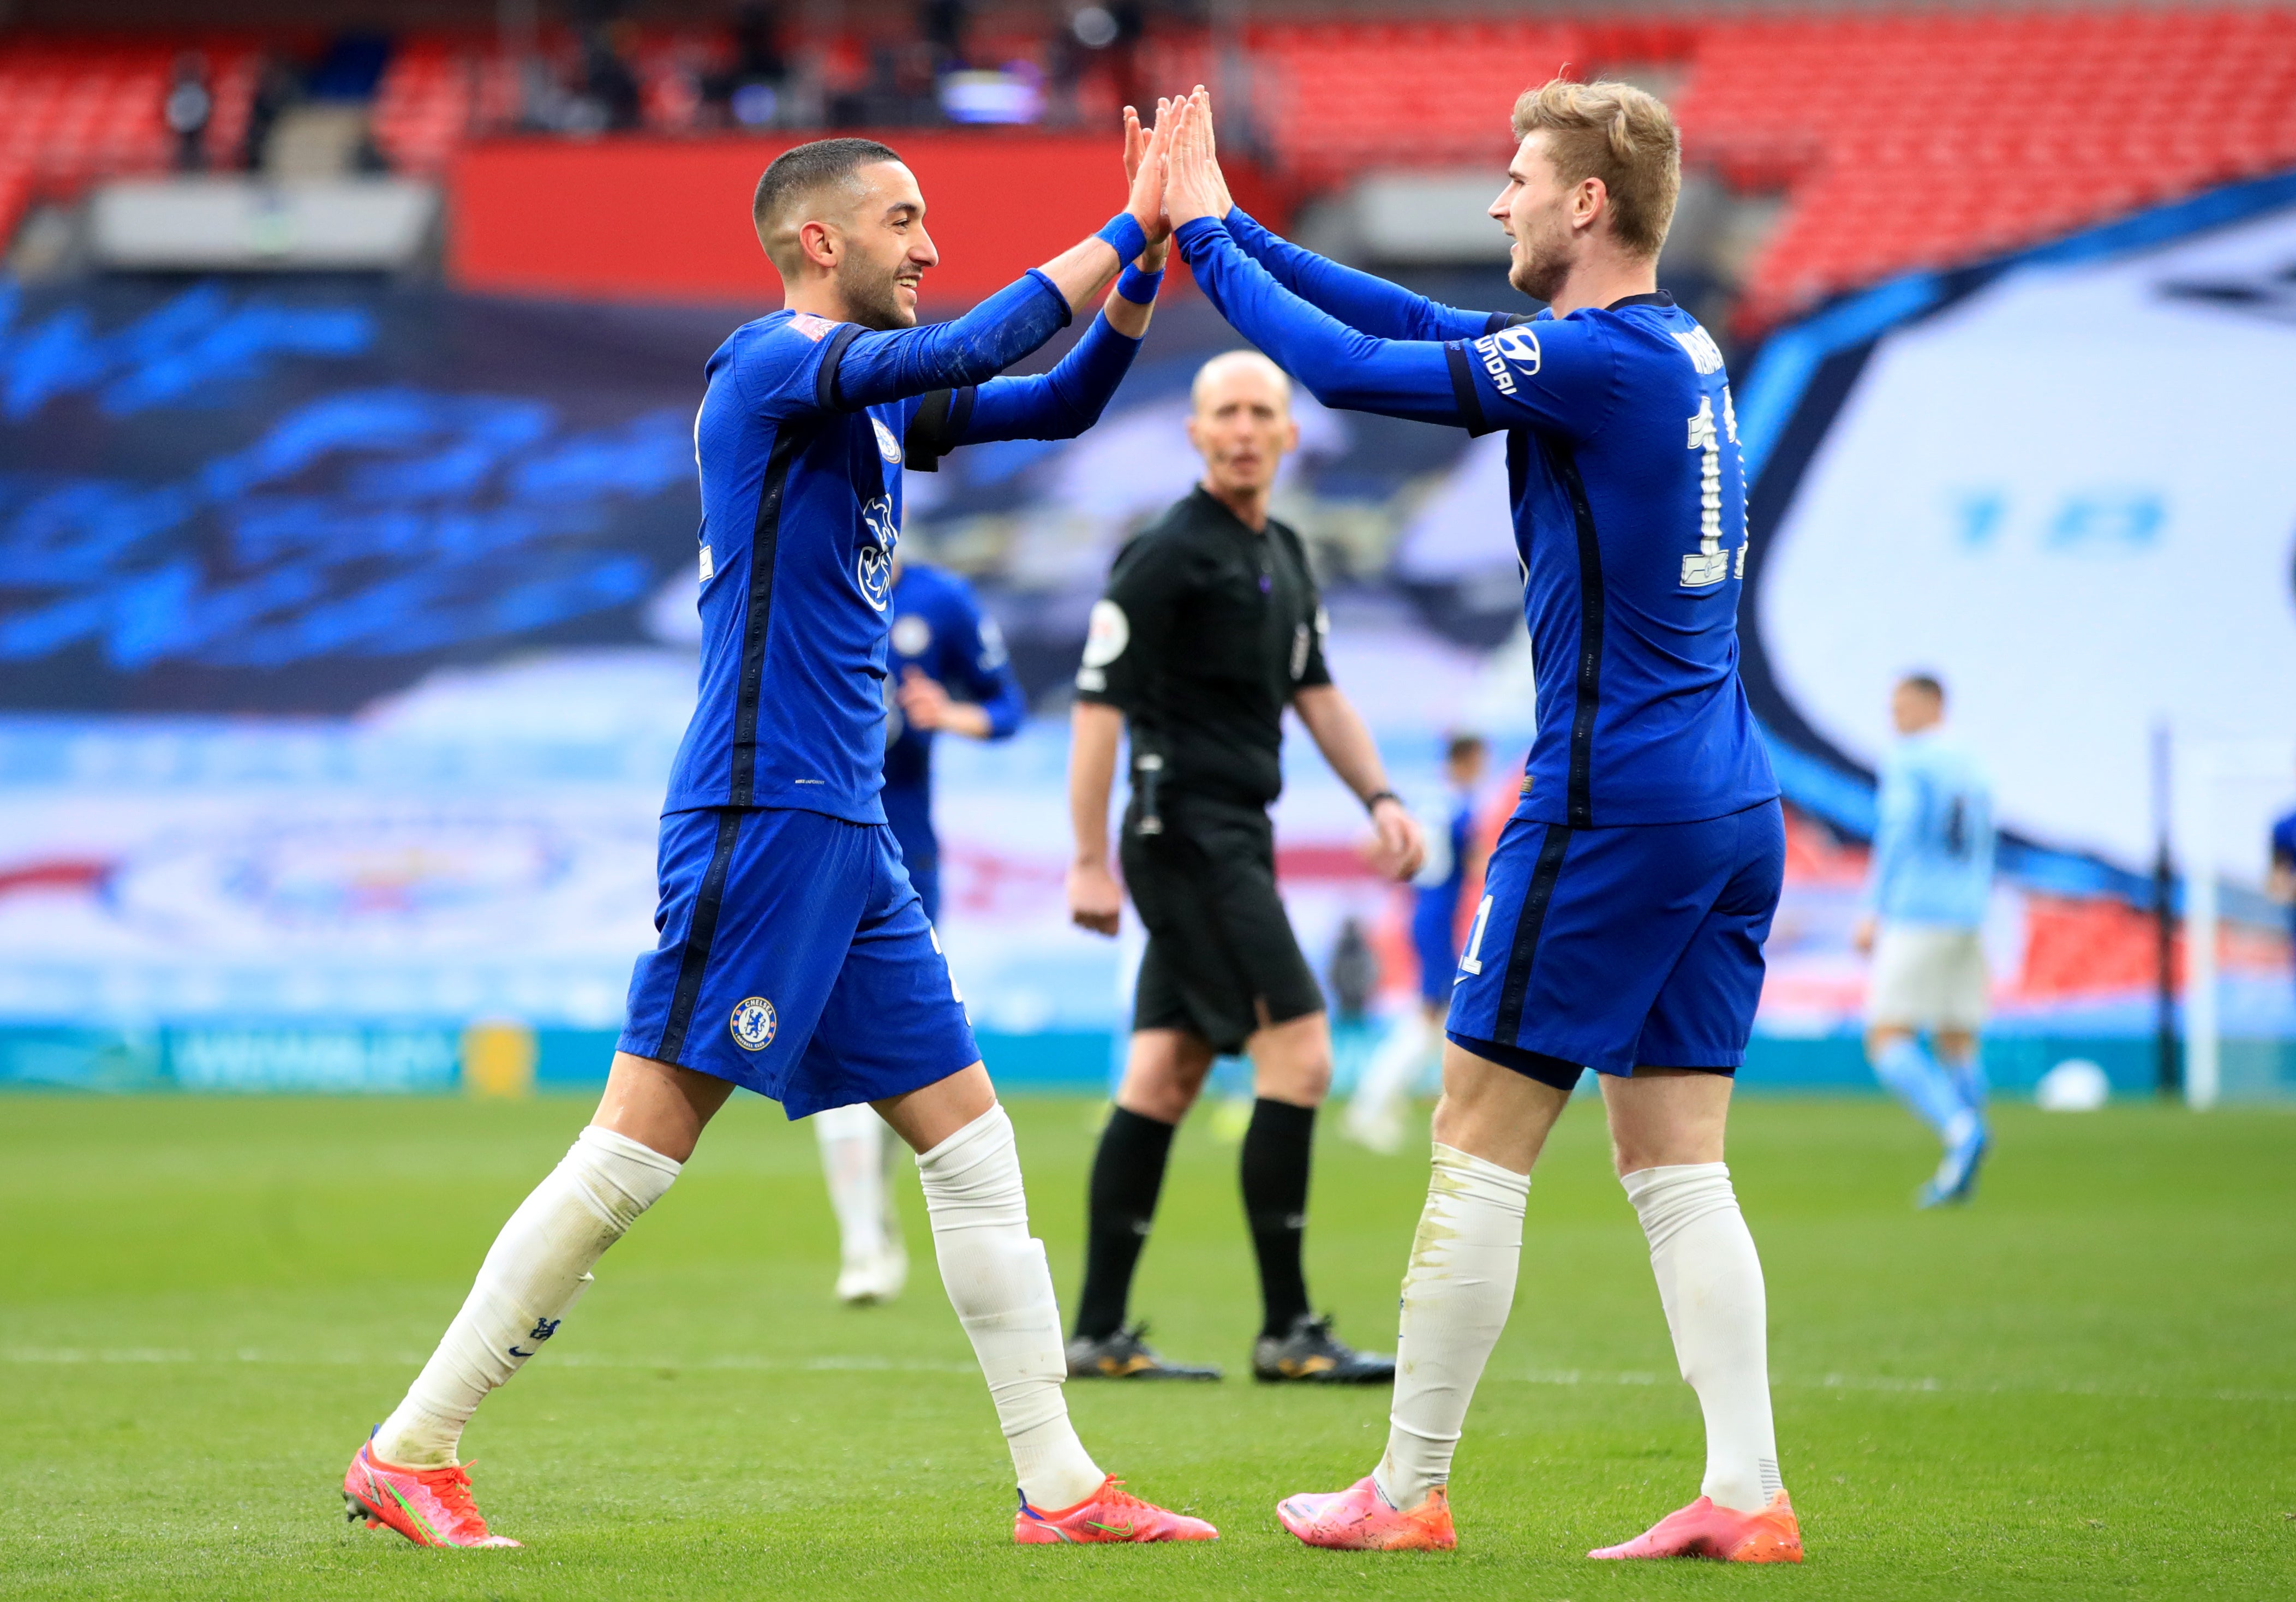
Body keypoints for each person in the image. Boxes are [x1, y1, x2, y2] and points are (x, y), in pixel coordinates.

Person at [344, 120, 1222, 1550]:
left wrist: (1146, 272)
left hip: (843, 826)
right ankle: (412, 1446)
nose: (928, 248)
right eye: (904, 220)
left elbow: (1055, 404)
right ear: (821, 241)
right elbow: (987, 338)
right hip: (761, 812)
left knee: (973, 1145)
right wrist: (1132, 219)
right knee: (634, 1153)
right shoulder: (772, 367)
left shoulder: (864, 404)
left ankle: (1061, 1486)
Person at [1157, 82, 1802, 1562]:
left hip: (1611, 802)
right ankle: (1746, 1492)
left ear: (1587, 205)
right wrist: (1236, 228)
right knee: (1676, 1160)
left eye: (1518, 183)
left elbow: (1341, 367)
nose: (1499, 204)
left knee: (1475, 1130)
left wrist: (1203, 240)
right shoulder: (1666, 347)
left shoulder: (1596, 366)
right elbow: (1407, 322)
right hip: (1725, 794)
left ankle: (1403, 1493)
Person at [1062, 338, 1427, 1386]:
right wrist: (1088, 862)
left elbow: (1317, 690)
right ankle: (1287, 1331)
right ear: (1192, 433)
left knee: (1164, 1074)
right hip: (1182, 834)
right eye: (1221, 412)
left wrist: (1382, 796)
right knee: (1303, 1054)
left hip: (1231, 834)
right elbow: (1098, 709)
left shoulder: (1285, 554)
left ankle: (1095, 1335)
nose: (1240, 430)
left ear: (1288, 434)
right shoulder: (1167, 551)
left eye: (1259, 413)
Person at [815, 552, 1027, 1306]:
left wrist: (949, 713)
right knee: (830, 1040)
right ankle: (863, 1242)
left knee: (895, 1048)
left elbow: (1007, 707)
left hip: (905, 854)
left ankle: (876, 1226)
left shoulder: (941, 600)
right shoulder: (808, 571)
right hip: (810, 849)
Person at [1855, 673, 1996, 1208]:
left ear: (1934, 703)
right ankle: (1966, 1149)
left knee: (1886, 1036)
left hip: (1918, 911)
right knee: (1955, 1036)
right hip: (1968, 913)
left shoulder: (1908, 760)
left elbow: (1897, 831)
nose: (1895, 717)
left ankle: (1960, 1130)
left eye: (1904, 705)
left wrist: (1873, 909)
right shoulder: (1973, 762)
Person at [1344, 732, 1490, 1153]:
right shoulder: (1460, 806)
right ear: (1466, 760)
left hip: (1424, 911)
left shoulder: (1425, 799)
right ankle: (1369, 1107)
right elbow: (1477, 859)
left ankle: (1386, 1103)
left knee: (1438, 1013)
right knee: (1430, 1014)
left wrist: (1405, 874)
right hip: (1439, 917)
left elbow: (1368, 845)